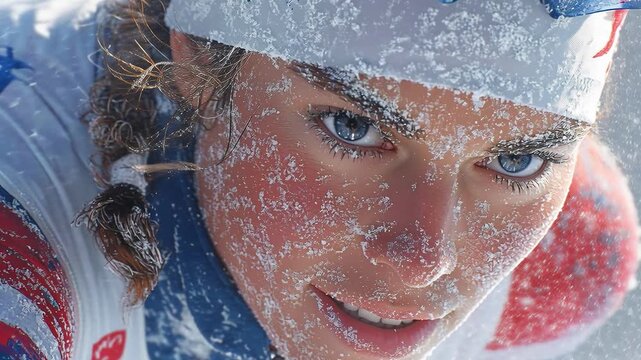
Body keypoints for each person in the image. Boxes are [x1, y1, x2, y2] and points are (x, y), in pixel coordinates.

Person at [0, 0, 639, 359]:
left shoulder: (567, 261)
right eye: (353, 129)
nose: (423, 260)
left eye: (514, 162)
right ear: (195, 56)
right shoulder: (19, 261)